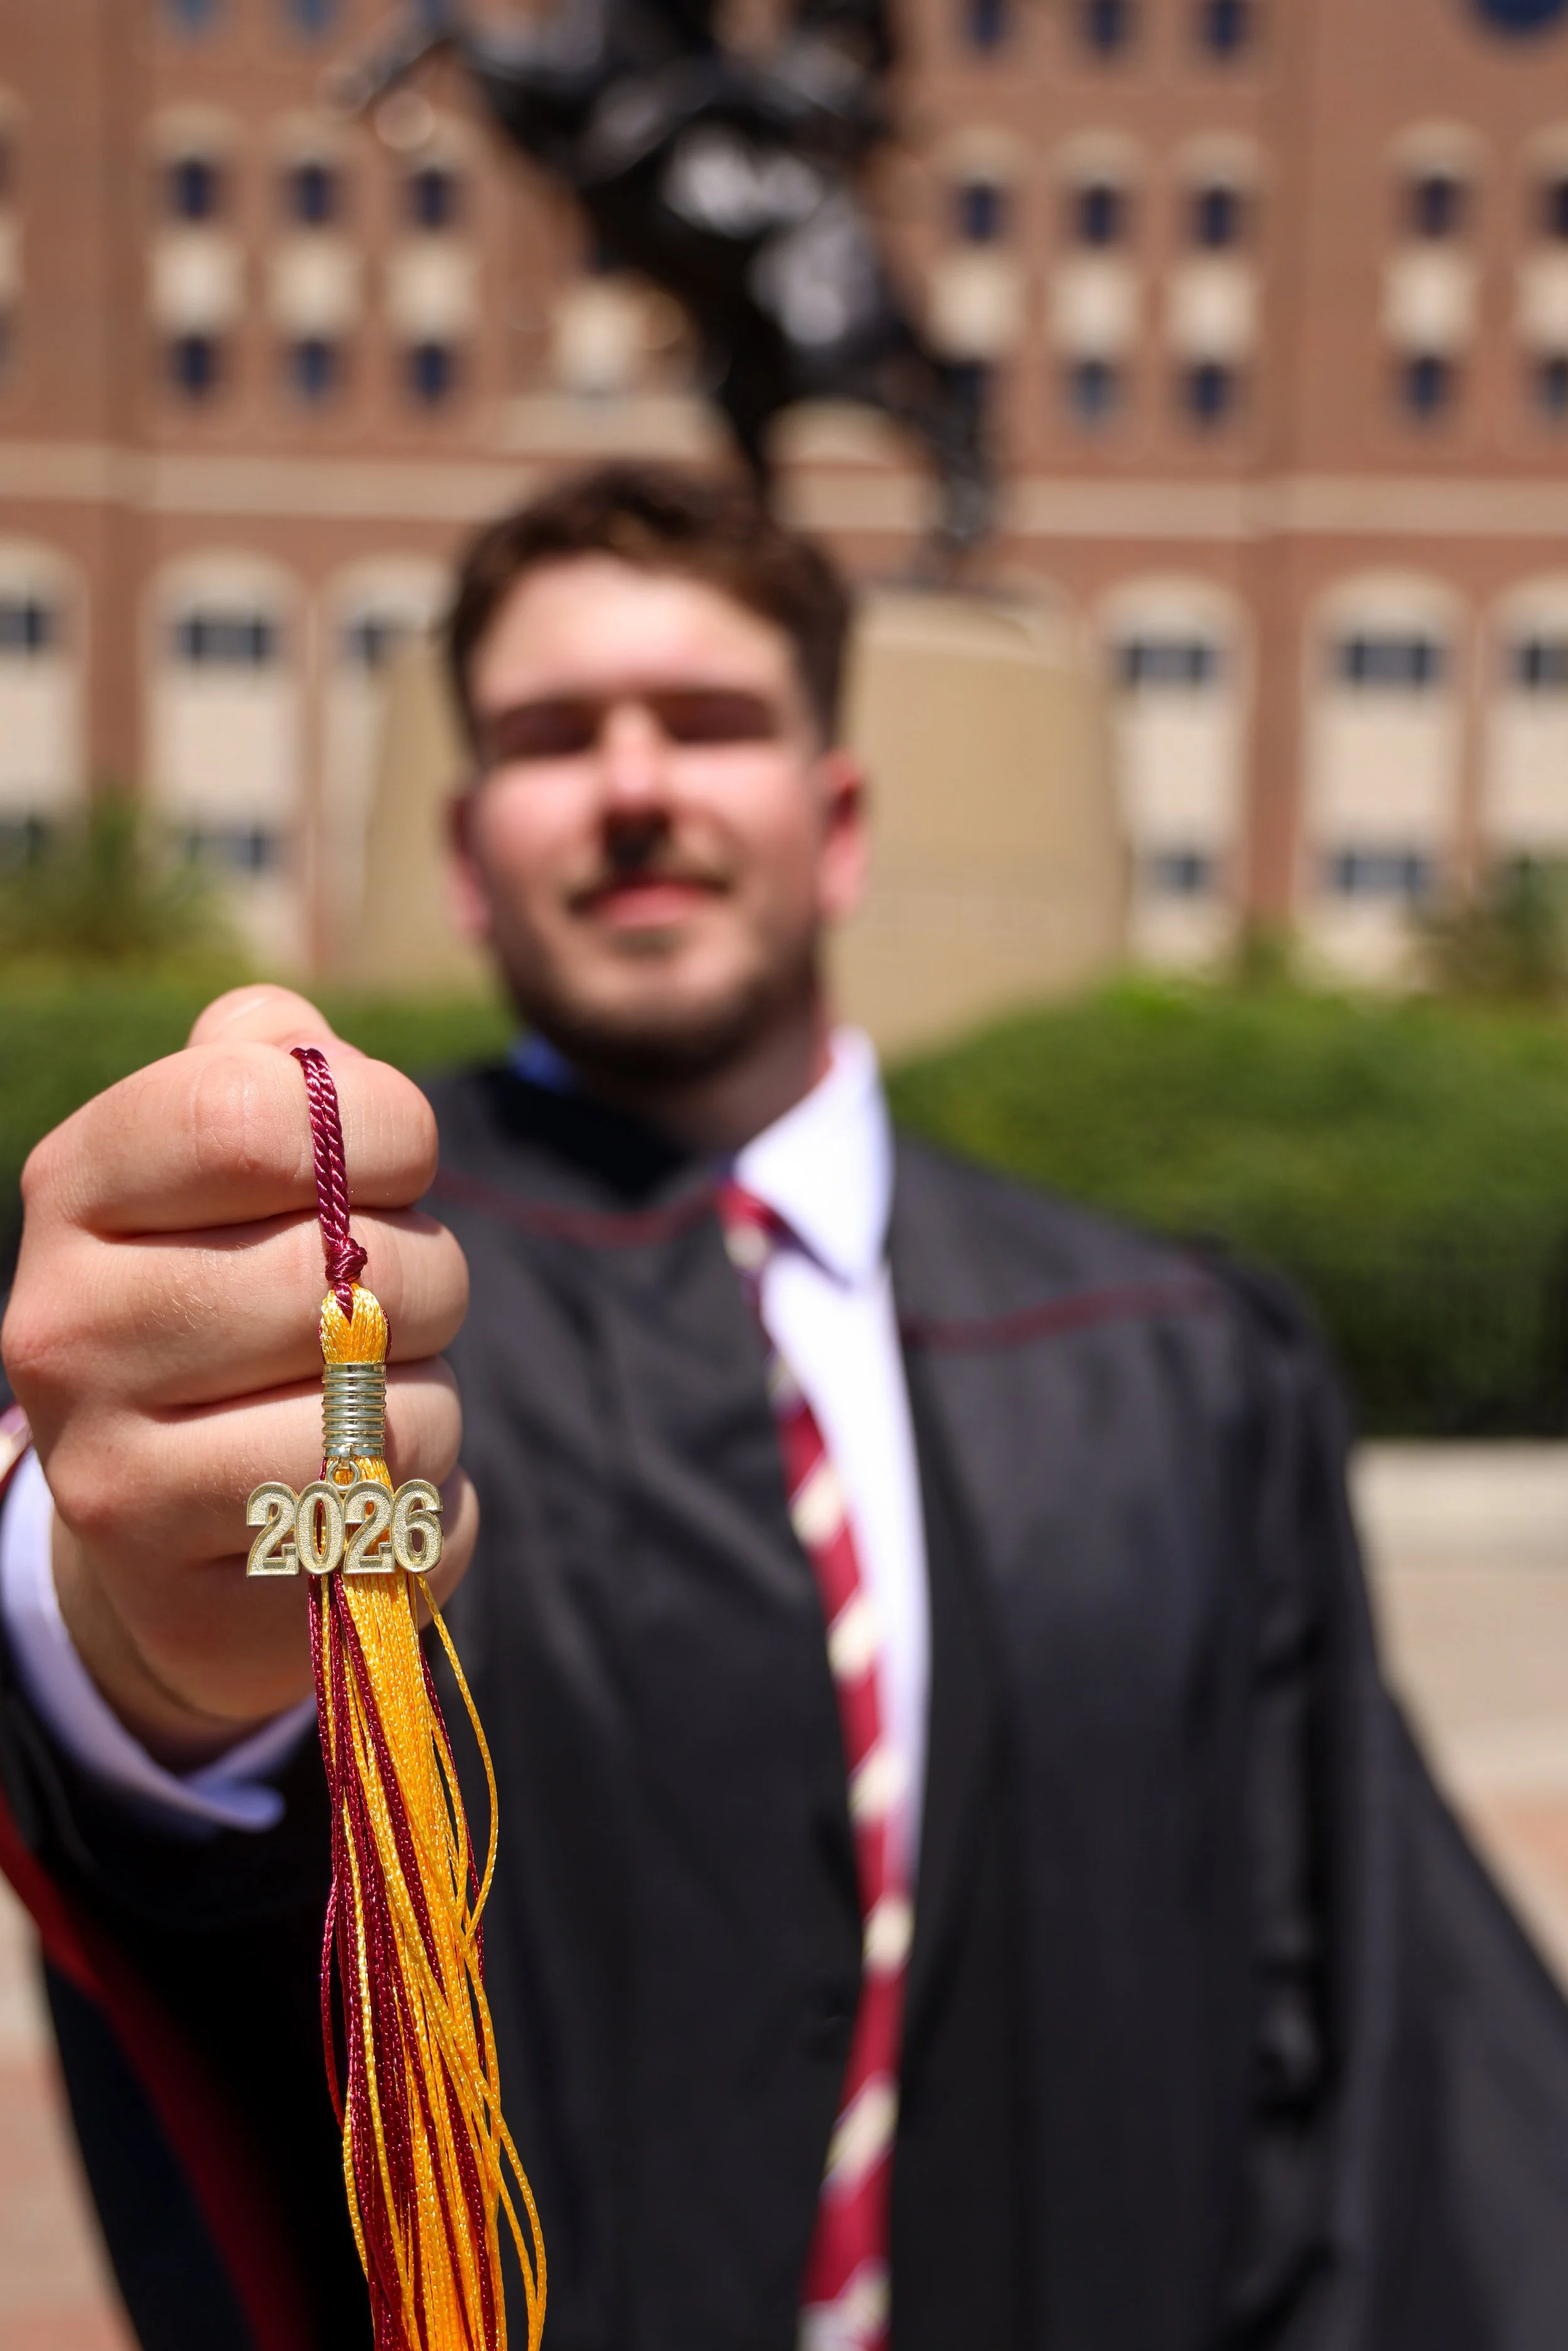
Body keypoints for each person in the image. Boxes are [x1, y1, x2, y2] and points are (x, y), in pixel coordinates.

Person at [3, 464, 1568, 2351]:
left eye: (713, 721)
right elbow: (207, 1738)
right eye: (554, 734)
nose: (638, 782)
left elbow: (1363, 2023)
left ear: (833, 824)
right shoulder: (360, 1318)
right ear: (466, 845)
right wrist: (157, 1647)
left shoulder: (1165, 1347)